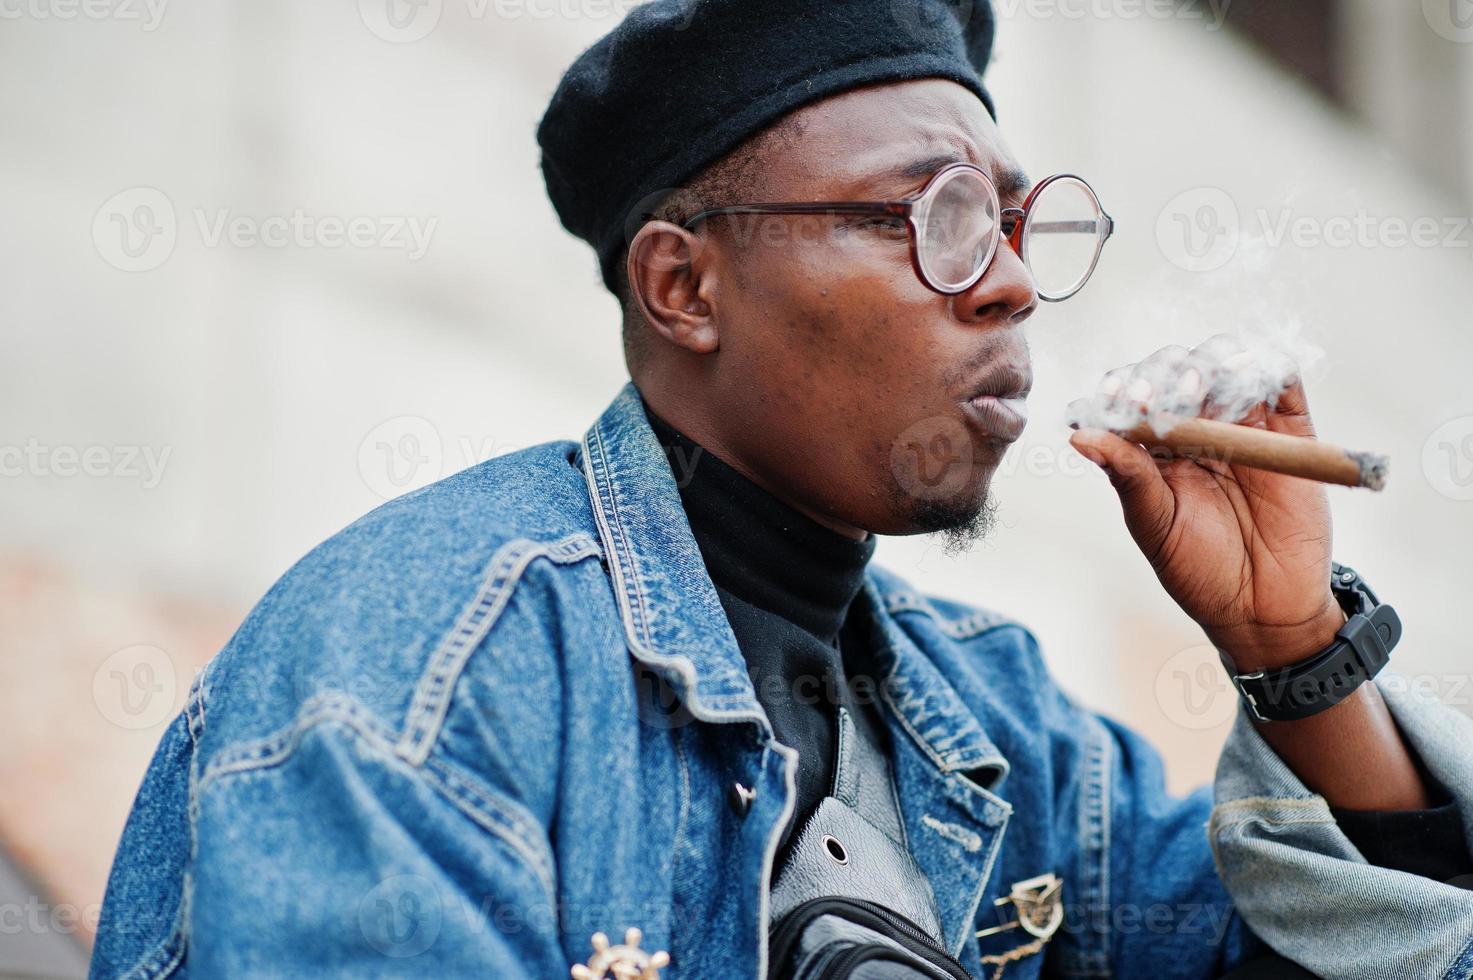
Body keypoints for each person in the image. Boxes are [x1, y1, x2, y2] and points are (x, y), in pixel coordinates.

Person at [91, 1, 1473, 977]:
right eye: (927, 217)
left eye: (1007, 220)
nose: (1000, 279)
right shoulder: (429, 666)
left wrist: (1290, 647)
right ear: (683, 286)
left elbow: (1368, 958)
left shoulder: (1003, 725)